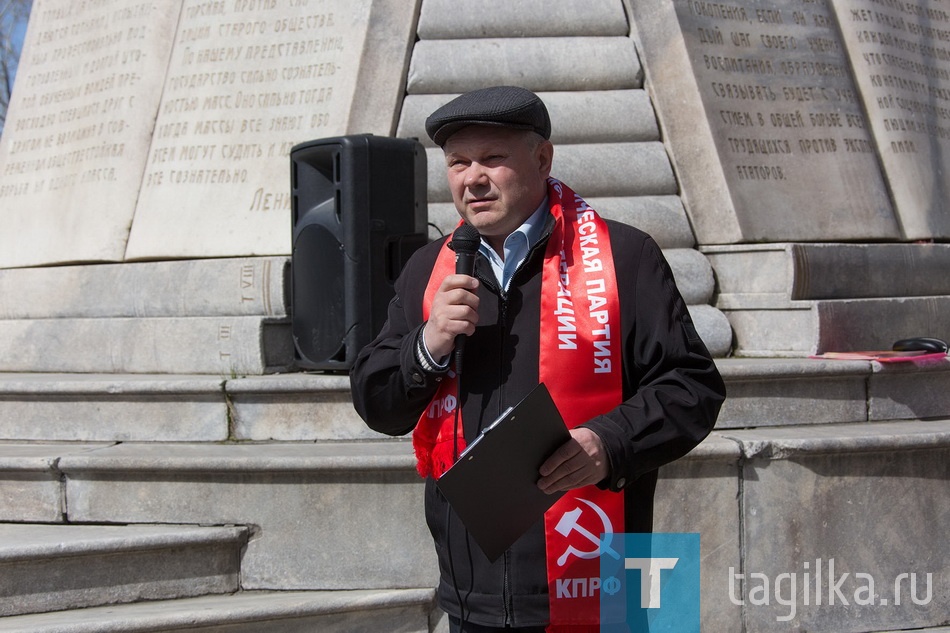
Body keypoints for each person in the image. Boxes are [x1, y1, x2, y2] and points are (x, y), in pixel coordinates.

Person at [349, 85, 726, 632]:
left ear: (542, 158)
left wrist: (610, 443)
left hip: (604, 581)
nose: (472, 178)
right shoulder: (428, 269)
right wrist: (426, 346)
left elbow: (692, 387)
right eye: (457, 163)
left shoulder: (626, 257)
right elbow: (376, 402)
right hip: (472, 591)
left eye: (493, 159)